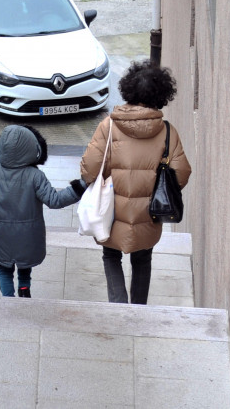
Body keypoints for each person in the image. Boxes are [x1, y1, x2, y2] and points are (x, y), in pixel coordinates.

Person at [81, 60, 192, 304]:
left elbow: (90, 170)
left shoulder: (108, 127)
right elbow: (181, 173)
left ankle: (118, 303)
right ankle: (139, 307)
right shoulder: (168, 132)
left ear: (128, 90)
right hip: (147, 213)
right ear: (162, 94)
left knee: (111, 255)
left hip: (112, 211)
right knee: (143, 259)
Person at [0, 125, 86, 298]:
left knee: (4, 271)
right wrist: (79, 188)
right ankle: (24, 289)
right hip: (27, 235)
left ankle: (8, 298)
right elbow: (55, 200)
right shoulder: (35, 176)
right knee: (24, 265)